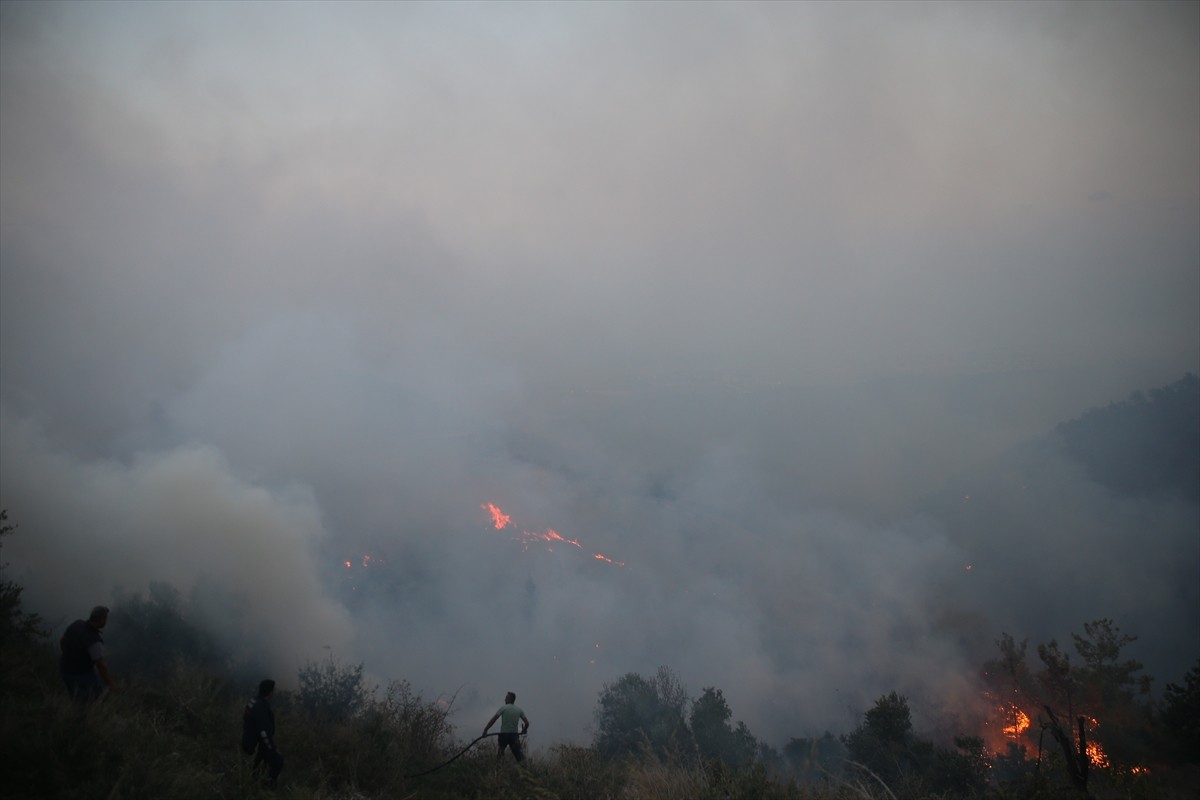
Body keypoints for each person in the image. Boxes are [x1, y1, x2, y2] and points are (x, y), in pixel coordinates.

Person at [59, 605, 117, 702]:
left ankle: (74, 714)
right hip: (81, 674)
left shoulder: (77, 624)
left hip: (64, 669)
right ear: (102, 619)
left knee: (75, 697)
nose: (106, 621)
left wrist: (69, 656)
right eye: (105, 618)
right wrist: (111, 684)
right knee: (98, 699)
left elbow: (62, 641)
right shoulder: (94, 641)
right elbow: (101, 666)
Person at [242, 679, 284, 786]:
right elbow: (264, 732)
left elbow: (246, 717)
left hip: (249, 739)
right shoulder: (261, 706)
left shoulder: (253, 701)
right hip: (256, 743)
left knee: (259, 763)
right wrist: (271, 747)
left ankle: (255, 780)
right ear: (270, 692)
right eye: (273, 691)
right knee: (277, 761)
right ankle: (267, 786)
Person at [483, 691, 529, 762]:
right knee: (519, 756)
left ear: (510, 699)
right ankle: (525, 769)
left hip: (504, 735)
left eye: (506, 698)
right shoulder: (519, 710)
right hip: (514, 736)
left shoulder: (503, 708)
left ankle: (498, 768)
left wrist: (486, 729)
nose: (505, 699)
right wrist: (524, 730)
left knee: (500, 754)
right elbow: (527, 723)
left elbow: (493, 719)